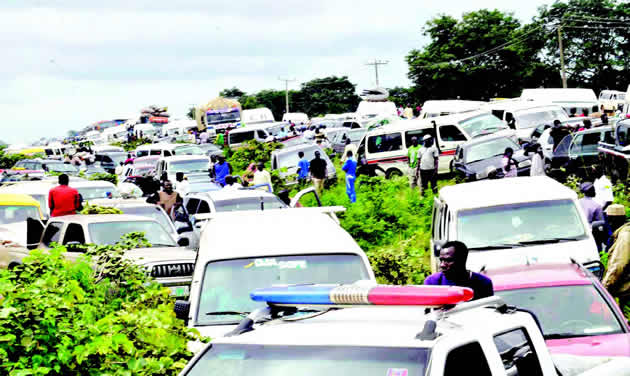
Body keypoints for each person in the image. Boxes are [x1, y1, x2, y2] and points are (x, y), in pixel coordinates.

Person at [424, 241, 494, 300]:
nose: (442, 265)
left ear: (462, 260)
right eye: (441, 260)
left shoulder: (483, 283)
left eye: (448, 260)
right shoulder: (432, 282)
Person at [602, 207, 630, 308]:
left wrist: (604, 288)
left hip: (626, 293)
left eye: (609, 220)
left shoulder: (624, 236)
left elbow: (618, 265)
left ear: (612, 220)